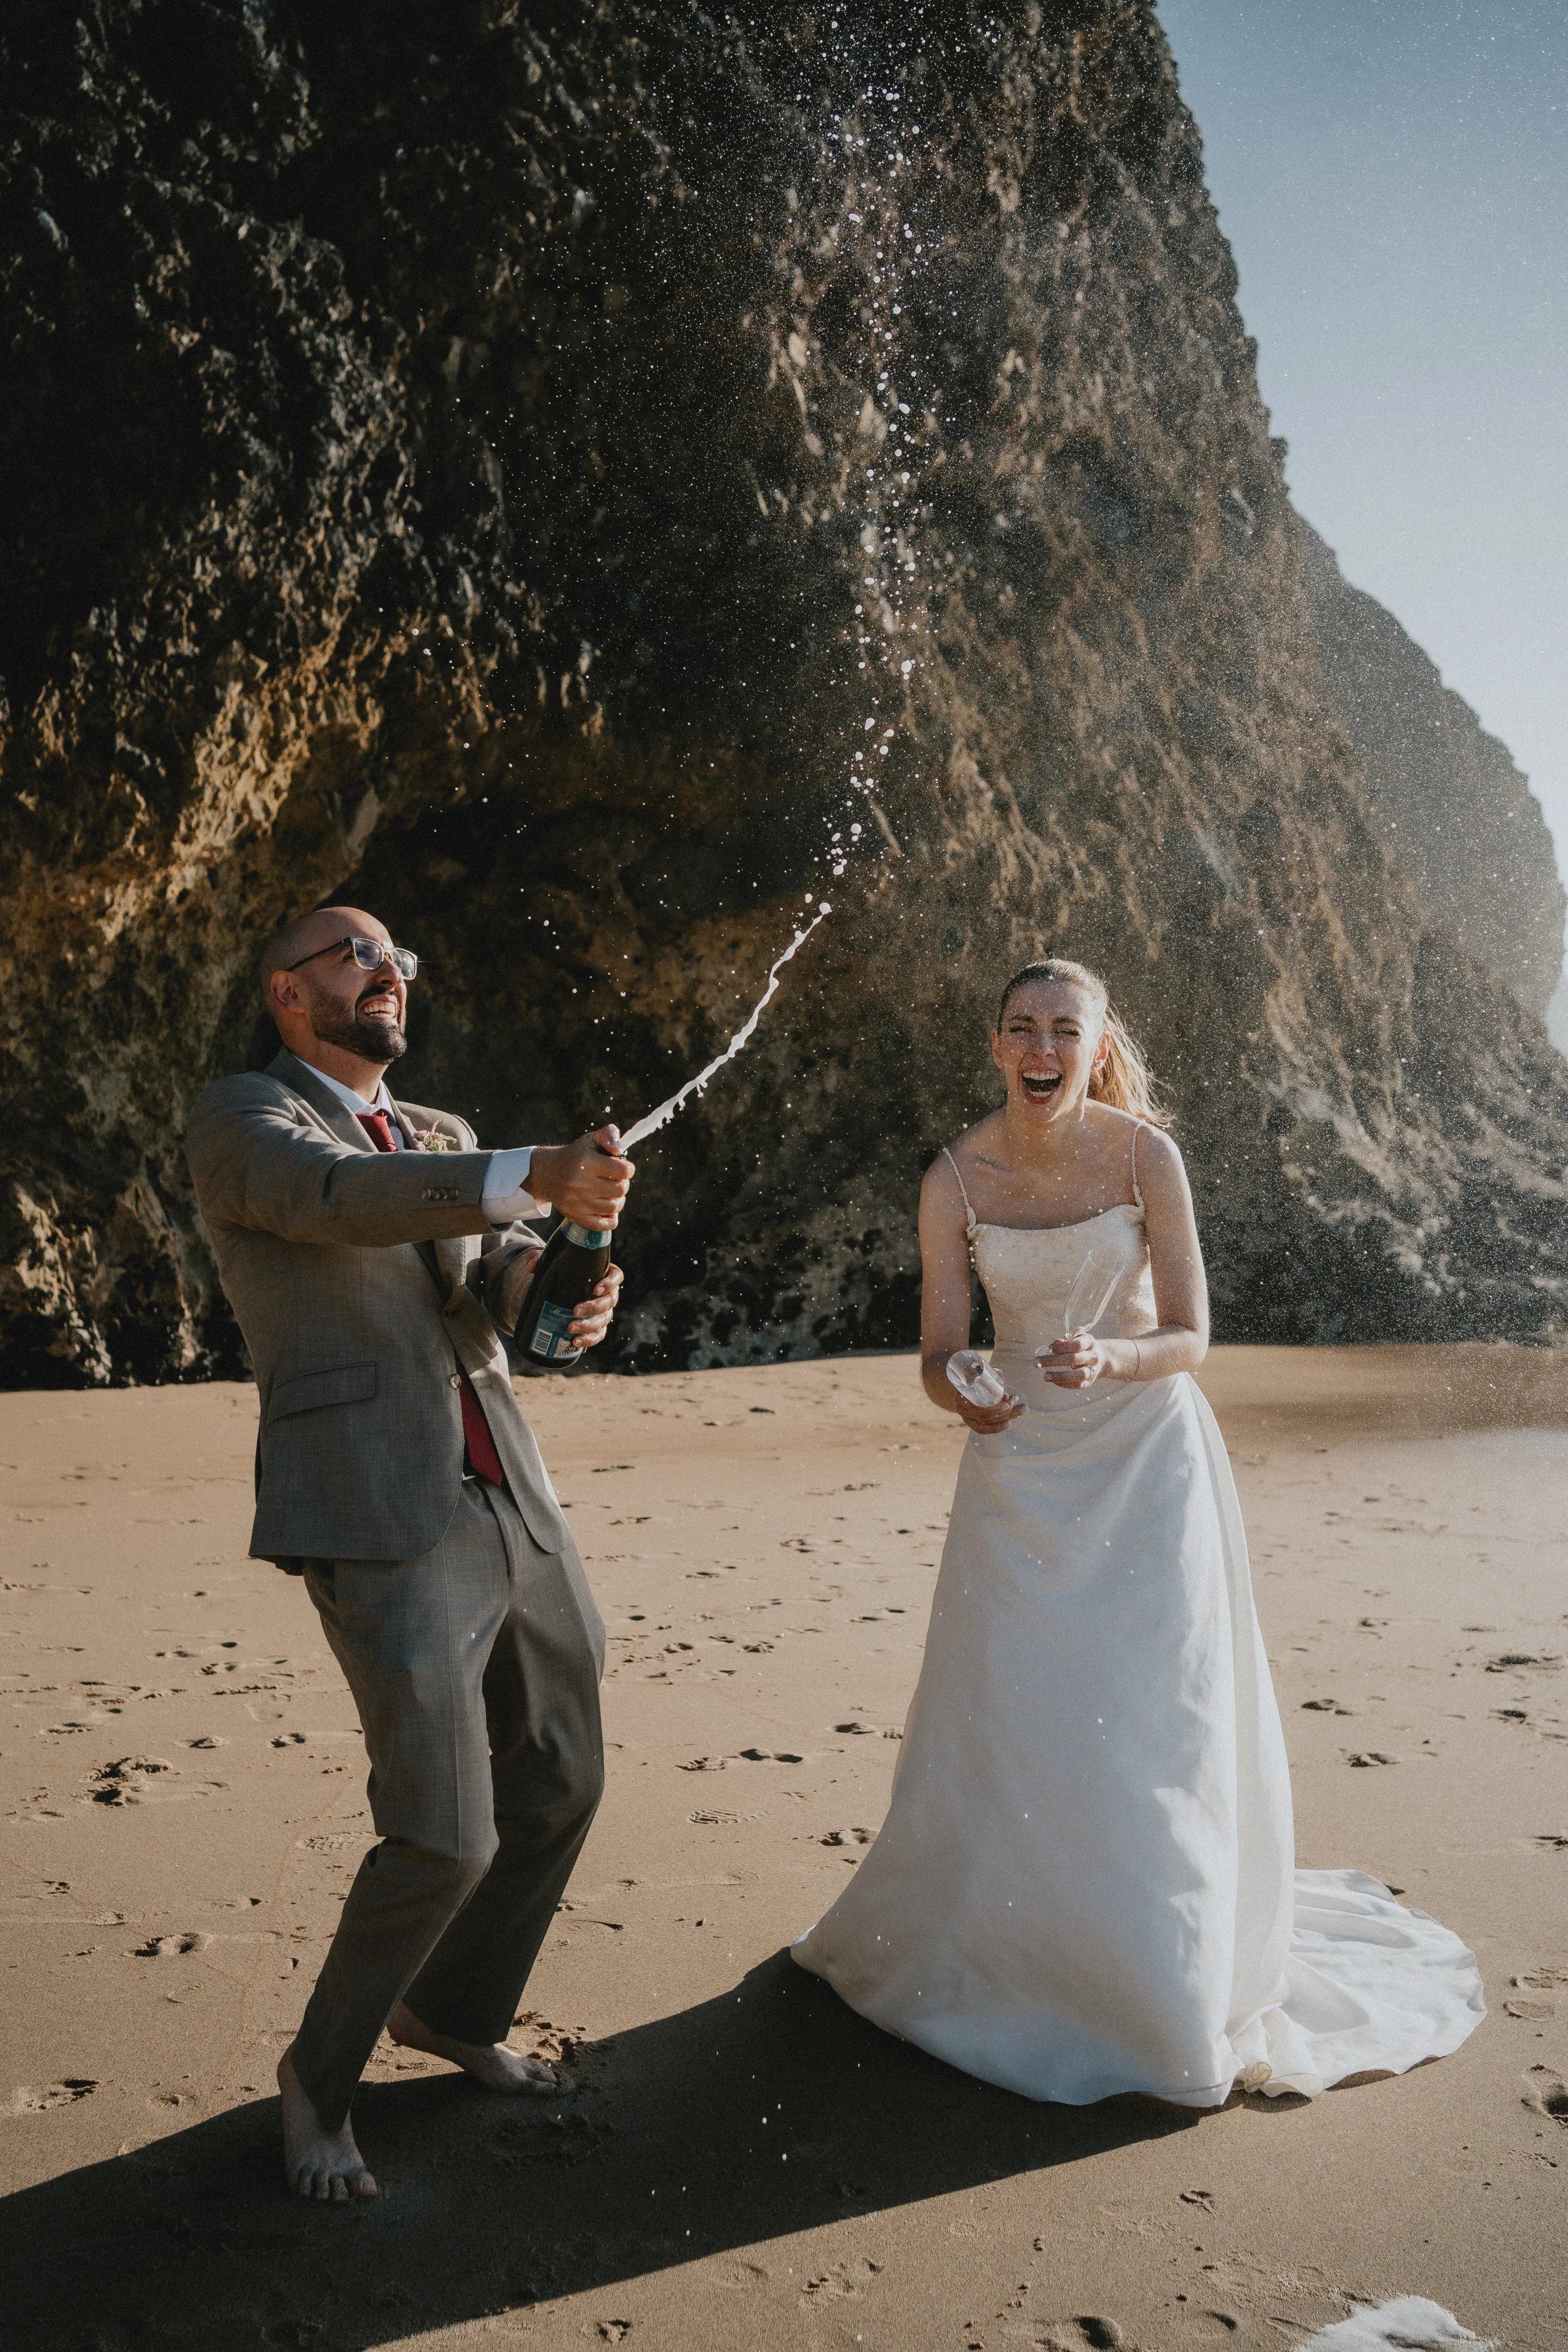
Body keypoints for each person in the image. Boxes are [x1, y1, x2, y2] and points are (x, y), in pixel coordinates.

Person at [793, 956, 1484, 2106]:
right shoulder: (954, 1177)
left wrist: (1117, 1354)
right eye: (1021, 1026)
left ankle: (1154, 1974)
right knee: (1015, 1708)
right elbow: (936, 1351)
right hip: (1017, 1470)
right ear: (998, 1044)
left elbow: (1193, 1334)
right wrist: (960, 1383)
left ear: (1095, 1044)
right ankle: (1010, 1953)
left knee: (1153, 1715)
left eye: (1063, 1027)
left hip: (1148, 1464)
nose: (1040, 1045)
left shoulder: (1143, 1156)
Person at [185, 905, 633, 2201]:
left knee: (561, 1779)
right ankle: (316, 2084)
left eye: (399, 962)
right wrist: (532, 1171)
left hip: (511, 1495)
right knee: (442, 1836)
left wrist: (565, 1279)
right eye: (356, 958)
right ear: (287, 993)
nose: (389, 974)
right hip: (380, 1515)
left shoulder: (437, 1136)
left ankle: (450, 2012)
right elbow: (332, 1203)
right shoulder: (246, 1118)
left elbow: (494, 1290)